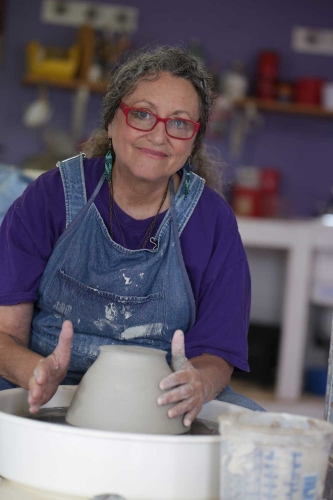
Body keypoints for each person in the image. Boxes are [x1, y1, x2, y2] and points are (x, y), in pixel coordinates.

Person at [0, 46, 263, 426]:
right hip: (49, 389)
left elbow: (217, 354)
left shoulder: (211, 220)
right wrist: (37, 373)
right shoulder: (52, 196)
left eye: (179, 123)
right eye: (142, 115)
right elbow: (5, 334)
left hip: (161, 400)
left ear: (193, 141)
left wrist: (197, 385)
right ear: (111, 122)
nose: (159, 136)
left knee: (259, 441)